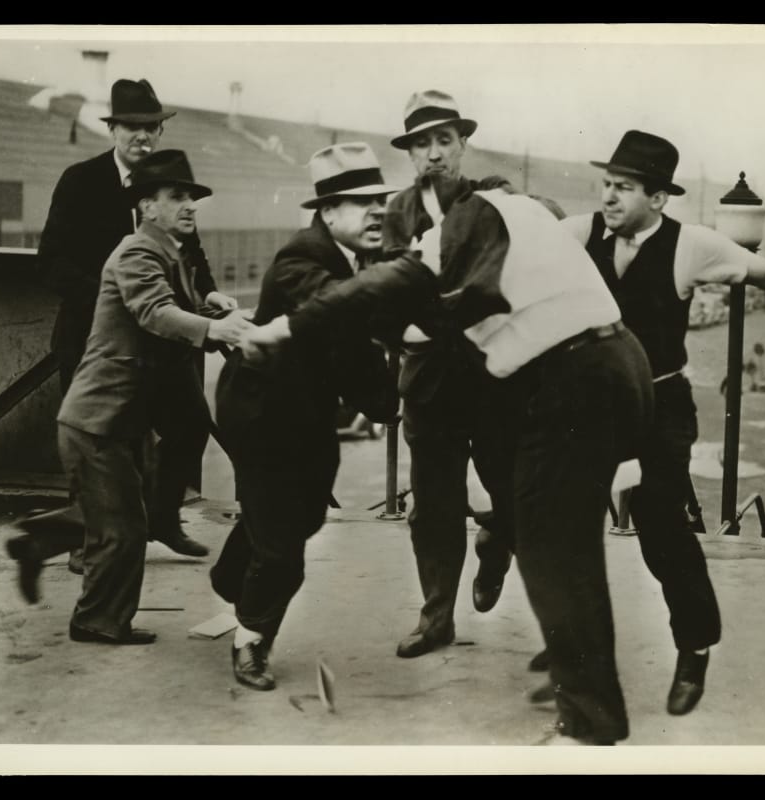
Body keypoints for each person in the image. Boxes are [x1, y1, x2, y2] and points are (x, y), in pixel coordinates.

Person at [240, 184, 655, 745]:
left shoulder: (459, 230)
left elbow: (386, 287)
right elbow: (433, 316)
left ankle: (589, 723)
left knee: (552, 554)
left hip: (574, 381)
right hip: (615, 365)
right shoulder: (515, 217)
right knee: (566, 549)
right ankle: (584, 692)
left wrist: (285, 327)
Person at [560, 130, 765, 715]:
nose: (608, 196)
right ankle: (569, 652)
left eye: (623, 188)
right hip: (591, 407)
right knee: (557, 523)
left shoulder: (690, 246)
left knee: (661, 530)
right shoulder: (580, 233)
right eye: (606, 184)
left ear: (658, 198)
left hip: (659, 407)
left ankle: (695, 645)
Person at [210, 143, 404, 690]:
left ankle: (230, 576)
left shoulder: (356, 259)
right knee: (282, 554)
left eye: (380, 201)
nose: (377, 211)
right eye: (361, 202)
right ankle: (250, 640)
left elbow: (351, 350)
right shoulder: (302, 260)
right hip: (262, 415)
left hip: (307, 416)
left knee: (306, 516)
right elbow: (341, 311)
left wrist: (383, 401)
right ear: (328, 211)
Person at [40, 149, 250, 643]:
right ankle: (95, 620)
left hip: (115, 419)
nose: (190, 206)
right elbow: (155, 313)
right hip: (97, 419)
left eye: (191, 197)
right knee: (121, 528)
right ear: (148, 206)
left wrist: (217, 313)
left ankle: (93, 611)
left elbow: (175, 307)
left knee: (121, 524)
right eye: (177, 196)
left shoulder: (166, 252)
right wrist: (216, 329)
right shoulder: (138, 252)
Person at [33, 79, 228, 566]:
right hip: (94, 340)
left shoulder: (169, 185)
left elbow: (191, 252)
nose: (143, 135)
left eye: (152, 127)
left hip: (161, 345)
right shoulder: (80, 180)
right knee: (102, 441)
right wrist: (111, 300)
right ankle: (87, 542)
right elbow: (51, 260)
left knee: (190, 425)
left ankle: (162, 518)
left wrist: (207, 292)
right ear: (113, 129)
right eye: (132, 126)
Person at [382, 89, 517, 659]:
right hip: (430, 384)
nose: (434, 154)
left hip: (493, 379)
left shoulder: (492, 199)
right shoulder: (398, 212)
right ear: (410, 152)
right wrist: (404, 328)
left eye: (444, 140)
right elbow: (389, 291)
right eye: (422, 144)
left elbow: (501, 280)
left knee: (513, 489)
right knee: (432, 508)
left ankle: (497, 542)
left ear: (463, 144)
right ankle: (436, 618)